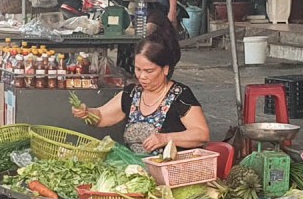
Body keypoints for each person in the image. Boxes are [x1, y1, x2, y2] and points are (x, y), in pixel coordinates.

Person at [72, 37, 208, 154]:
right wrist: (87, 113)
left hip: (171, 170)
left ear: (165, 69)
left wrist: (165, 138)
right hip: (135, 168)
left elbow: (202, 134)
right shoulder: (132, 93)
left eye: (149, 71)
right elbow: (102, 116)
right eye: (138, 69)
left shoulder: (180, 96)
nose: (142, 76)